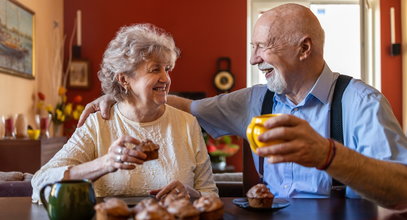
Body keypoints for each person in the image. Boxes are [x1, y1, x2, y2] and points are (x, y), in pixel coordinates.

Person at [77, 4, 407, 209]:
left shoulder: (361, 103)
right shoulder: (254, 99)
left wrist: (328, 155)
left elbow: (402, 191)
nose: (253, 58)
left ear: (304, 48)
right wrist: (122, 97)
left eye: (262, 47)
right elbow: (187, 108)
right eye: (253, 47)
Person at [31, 23, 217, 202]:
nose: (166, 78)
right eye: (155, 70)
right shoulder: (98, 124)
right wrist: (105, 164)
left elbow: (210, 194)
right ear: (124, 79)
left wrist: (191, 195)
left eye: (167, 69)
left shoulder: (187, 123)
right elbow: (40, 182)